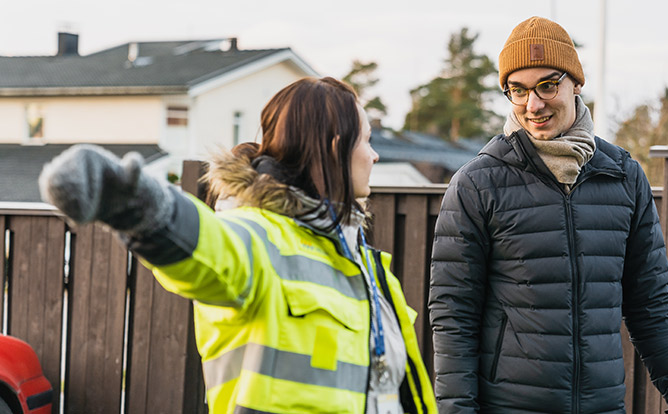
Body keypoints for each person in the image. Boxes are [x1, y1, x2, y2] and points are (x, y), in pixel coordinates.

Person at [39, 76, 437, 414]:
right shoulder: (258, 238)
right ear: (336, 149)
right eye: (367, 140)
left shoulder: (368, 267)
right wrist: (128, 198)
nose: (375, 155)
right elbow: (207, 247)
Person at [428, 17, 668, 414]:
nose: (533, 105)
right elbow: (453, 315)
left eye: (547, 85)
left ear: (576, 83)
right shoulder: (477, 183)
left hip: (604, 406)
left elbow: (650, 303)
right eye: (517, 90)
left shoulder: (624, 176)